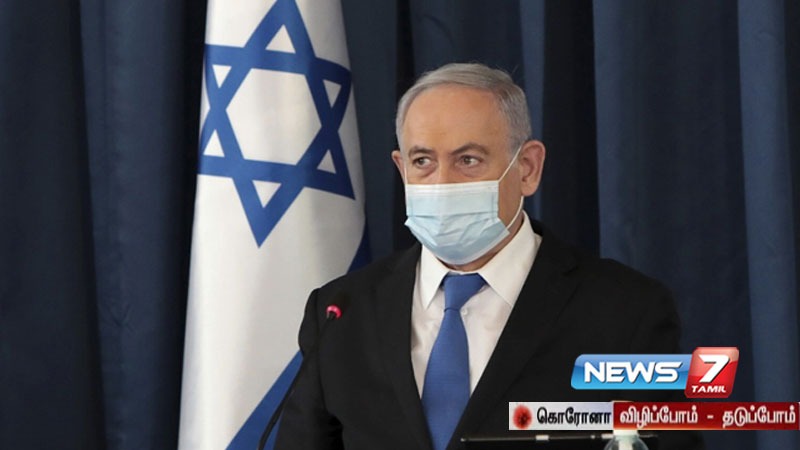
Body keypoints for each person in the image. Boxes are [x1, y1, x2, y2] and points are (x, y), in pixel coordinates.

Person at [274, 63, 703, 450]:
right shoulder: (340, 313)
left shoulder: (626, 311)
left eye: (468, 159)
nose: (442, 183)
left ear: (527, 168)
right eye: (423, 161)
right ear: (402, 169)